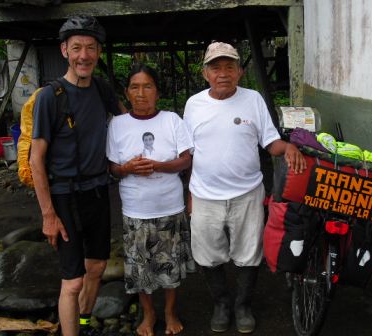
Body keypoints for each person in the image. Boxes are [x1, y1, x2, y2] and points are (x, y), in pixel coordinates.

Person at [183, 41, 307, 334]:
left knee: (249, 252)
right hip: (204, 196)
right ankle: (222, 303)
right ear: (205, 74)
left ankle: (242, 305)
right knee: (207, 254)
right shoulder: (193, 104)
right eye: (216, 67)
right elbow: (188, 152)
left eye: (229, 67)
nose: (222, 73)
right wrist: (188, 193)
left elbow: (269, 141)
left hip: (247, 194)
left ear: (239, 72)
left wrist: (288, 147)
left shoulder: (253, 100)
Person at [29, 15, 122, 336]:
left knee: (95, 268)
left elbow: (128, 126)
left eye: (91, 48)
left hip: (97, 191)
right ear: (64, 50)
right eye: (77, 47)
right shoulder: (49, 97)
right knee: (73, 280)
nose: (85, 55)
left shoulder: (101, 89)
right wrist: (48, 215)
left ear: (97, 53)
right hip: (64, 196)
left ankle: (83, 323)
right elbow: (36, 160)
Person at [107, 64, 193, 336]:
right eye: (135, 87)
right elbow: (111, 167)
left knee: (170, 265)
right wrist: (127, 169)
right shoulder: (117, 124)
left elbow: (186, 160)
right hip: (135, 210)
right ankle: (149, 313)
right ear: (127, 92)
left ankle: (170, 312)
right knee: (140, 268)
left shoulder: (172, 120)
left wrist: (159, 166)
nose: (141, 93)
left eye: (148, 86)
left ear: (157, 91)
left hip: (169, 206)